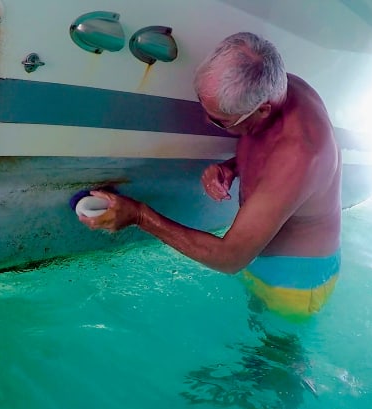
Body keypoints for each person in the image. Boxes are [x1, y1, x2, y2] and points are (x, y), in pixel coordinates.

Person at [78, 32, 342, 318]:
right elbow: (269, 150)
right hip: (259, 253)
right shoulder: (272, 86)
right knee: (254, 339)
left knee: (275, 357)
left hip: (296, 279)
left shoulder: (302, 152)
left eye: (220, 121)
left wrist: (140, 216)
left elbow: (230, 259)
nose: (207, 121)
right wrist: (232, 166)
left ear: (263, 109)